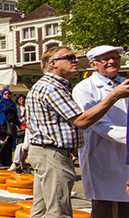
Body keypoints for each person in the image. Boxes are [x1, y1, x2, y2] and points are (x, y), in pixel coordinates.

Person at [28, 46, 129, 218]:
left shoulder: (56, 86)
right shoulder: (55, 88)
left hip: (53, 152)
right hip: (54, 154)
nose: (75, 60)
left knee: (43, 208)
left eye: (115, 57)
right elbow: (83, 121)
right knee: (58, 211)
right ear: (53, 63)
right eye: (69, 57)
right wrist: (113, 96)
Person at [72, 45, 129, 218]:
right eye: (105, 59)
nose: (112, 61)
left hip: (125, 152)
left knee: (126, 205)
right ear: (93, 64)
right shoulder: (84, 88)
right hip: (102, 155)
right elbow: (99, 125)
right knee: (104, 205)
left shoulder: (124, 83)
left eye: (115, 58)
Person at [0, 88, 21, 167]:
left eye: (8, 94)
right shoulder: (0, 103)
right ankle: (2, 160)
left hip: (12, 125)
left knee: (10, 143)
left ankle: (8, 160)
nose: (7, 95)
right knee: (4, 143)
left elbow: (16, 115)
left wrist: (19, 124)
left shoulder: (12, 103)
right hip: (3, 125)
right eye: (5, 94)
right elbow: (0, 114)